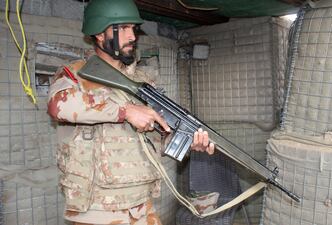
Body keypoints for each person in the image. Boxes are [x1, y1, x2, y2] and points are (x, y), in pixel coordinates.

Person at [47, 0, 214, 224]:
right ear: (99, 33)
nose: (133, 36)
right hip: (98, 207)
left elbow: (157, 139)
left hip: (142, 203)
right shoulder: (75, 74)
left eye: (133, 29)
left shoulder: (143, 81)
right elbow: (58, 106)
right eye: (123, 28)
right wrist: (125, 111)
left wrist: (186, 142)